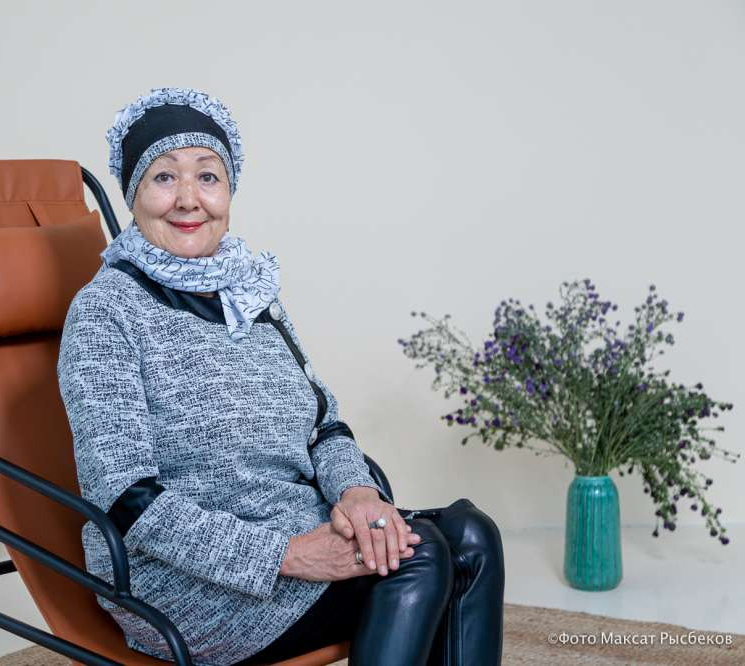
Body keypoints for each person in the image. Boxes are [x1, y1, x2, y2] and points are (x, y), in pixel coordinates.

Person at [57, 87, 505, 666]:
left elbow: (323, 425)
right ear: (134, 195)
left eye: (208, 177)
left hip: (293, 525)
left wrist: (358, 493)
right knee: (420, 559)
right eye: (164, 177)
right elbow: (124, 499)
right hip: (184, 578)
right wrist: (287, 556)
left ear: (229, 191)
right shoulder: (105, 311)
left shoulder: (249, 293)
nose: (189, 199)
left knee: (472, 536)